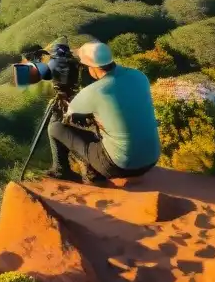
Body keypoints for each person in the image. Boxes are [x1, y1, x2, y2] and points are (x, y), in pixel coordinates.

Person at [46, 41, 160, 183]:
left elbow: (69, 113)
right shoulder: (139, 76)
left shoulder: (95, 91)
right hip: (151, 158)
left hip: (119, 166)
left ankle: (61, 170)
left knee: (55, 127)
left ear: (91, 67)